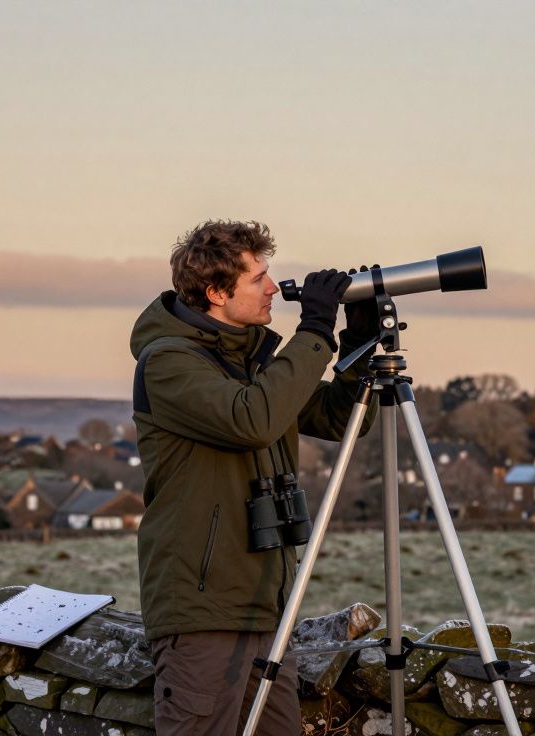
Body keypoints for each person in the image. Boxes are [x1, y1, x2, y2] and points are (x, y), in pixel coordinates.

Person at [129, 220, 378, 735]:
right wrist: (313, 331)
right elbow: (254, 420)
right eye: (259, 278)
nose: (272, 289)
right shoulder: (169, 363)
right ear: (217, 293)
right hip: (203, 611)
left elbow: (337, 418)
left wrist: (356, 344)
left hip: (266, 607)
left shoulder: (254, 358)